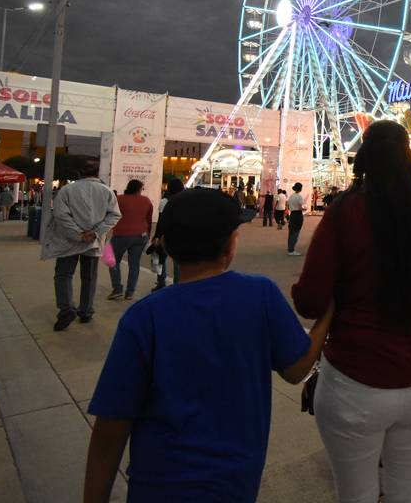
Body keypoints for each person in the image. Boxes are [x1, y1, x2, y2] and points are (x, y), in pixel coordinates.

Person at [83, 188, 334, 502]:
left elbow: (111, 428)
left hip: (156, 484)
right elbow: (298, 369)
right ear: (230, 245)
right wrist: (328, 315)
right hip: (236, 482)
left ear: (168, 247)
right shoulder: (260, 295)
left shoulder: (144, 318)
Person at [292, 120, 411, 503]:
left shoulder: (344, 212)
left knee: (357, 494)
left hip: (357, 381)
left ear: (364, 160)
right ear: (409, 157)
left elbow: (308, 301)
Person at [41, 162, 121, 331]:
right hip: (93, 243)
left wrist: (78, 234)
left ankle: (66, 309)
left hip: (67, 242)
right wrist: (95, 233)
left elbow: (61, 215)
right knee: (89, 278)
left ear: (78, 173)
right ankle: (85, 311)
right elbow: (114, 215)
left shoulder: (66, 191)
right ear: (97, 172)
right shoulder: (106, 191)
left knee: (63, 275)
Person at [107, 179, 153, 302]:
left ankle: (117, 288)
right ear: (139, 189)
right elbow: (149, 220)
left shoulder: (119, 199)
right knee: (134, 264)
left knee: (112, 260)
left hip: (121, 234)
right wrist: (148, 234)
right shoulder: (146, 200)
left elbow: (111, 215)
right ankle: (130, 292)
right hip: (140, 236)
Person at [149, 179, 184, 292]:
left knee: (161, 259)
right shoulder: (185, 199)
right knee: (177, 261)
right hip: (180, 234)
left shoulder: (165, 201)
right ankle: (178, 284)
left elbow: (161, 220)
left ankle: (161, 282)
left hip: (166, 234)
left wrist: (157, 236)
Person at [286, 182, 305, 255]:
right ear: (300, 189)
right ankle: (291, 250)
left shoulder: (291, 196)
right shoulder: (299, 196)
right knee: (296, 232)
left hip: (292, 215)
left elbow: (287, 205)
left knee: (291, 232)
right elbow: (300, 207)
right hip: (298, 215)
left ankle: (290, 248)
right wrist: (304, 209)